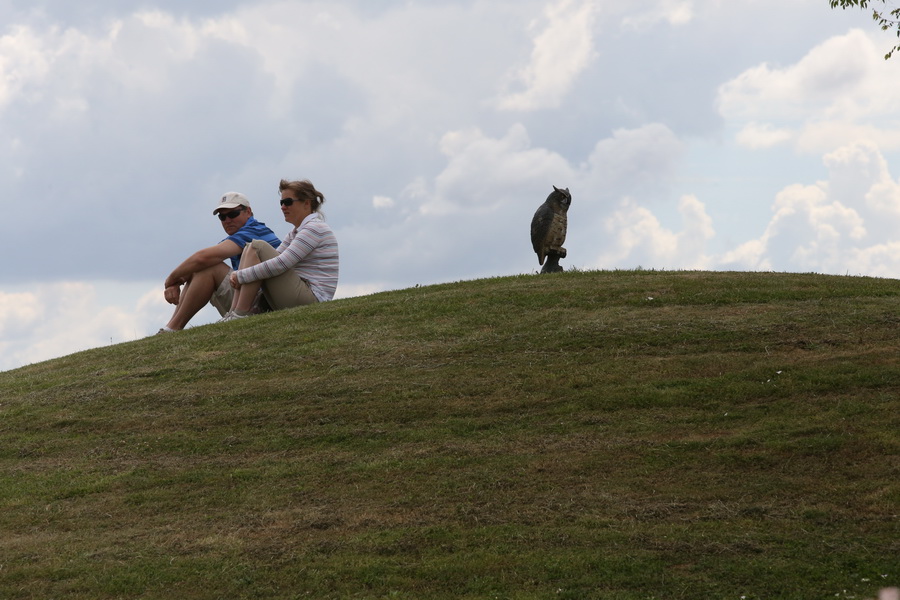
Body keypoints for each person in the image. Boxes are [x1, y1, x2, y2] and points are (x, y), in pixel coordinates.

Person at [158, 192, 281, 332]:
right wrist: (177, 282)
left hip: (268, 301)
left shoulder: (256, 230)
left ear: (248, 212)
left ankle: (173, 328)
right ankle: (170, 328)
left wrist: (170, 280)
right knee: (202, 267)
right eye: (222, 217)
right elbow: (198, 263)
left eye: (233, 214)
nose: (227, 220)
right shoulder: (239, 237)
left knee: (208, 267)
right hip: (256, 298)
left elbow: (202, 258)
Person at [221, 179, 339, 321]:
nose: (283, 207)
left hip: (312, 299)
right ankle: (234, 313)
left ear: (307, 203)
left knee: (257, 246)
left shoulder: (315, 228)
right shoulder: (295, 232)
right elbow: (275, 259)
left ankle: (240, 313)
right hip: (300, 293)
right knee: (250, 247)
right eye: (281, 202)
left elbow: (281, 263)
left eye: (288, 202)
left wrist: (240, 276)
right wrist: (240, 275)